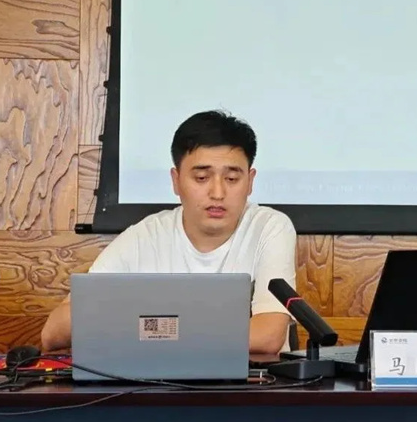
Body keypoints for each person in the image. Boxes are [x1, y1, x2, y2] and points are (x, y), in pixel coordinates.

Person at [40, 110, 297, 354]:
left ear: (250, 181)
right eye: (201, 178)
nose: (218, 193)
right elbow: (53, 333)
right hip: (157, 382)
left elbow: (268, 336)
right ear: (176, 180)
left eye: (231, 179)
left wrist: (155, 332)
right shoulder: (144, 237)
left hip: (251, 383)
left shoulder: (269, 228)